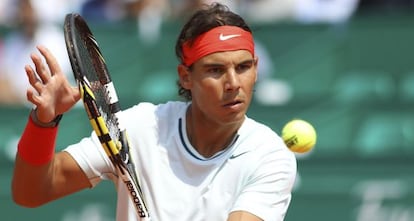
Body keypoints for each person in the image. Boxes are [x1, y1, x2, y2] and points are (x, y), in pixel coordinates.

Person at [11, 3, 297, 221]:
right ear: (186, 77)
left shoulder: (270, 156)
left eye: (243, 67)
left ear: (257, 69)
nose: (233, 83)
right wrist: (43, 122)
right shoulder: (139, 127)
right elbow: (31, 191)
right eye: (216, 70)